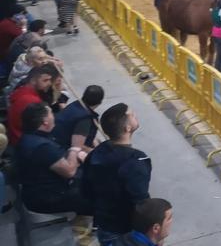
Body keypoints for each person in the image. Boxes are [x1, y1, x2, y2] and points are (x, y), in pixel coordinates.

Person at [16, 102, 93, 245]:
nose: (54, 116)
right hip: (47, 198)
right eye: (51, 113)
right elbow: (69, 171)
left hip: (36, 191)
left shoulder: (29, 138)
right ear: (45, 122)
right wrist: (75, 148)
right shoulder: (42, 146)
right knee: (99, 195)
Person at [83, 103, 152, 245]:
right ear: (127, 128)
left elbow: (86, 188)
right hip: (125, 230)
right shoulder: (135, 160)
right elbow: (141, 202)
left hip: (104, 224)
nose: (135, 115)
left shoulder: (97, 152)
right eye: (132, 115)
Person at [8, 63, 56, 145]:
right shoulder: (33, 101)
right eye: (45, 80)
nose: (49, 84)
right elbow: (41, 127)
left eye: (50, 80)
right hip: (22, 139)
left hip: (15, 134)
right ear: (33, 80)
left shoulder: (22, 90)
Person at [52, 85, 104, 152]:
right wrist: (97, 153)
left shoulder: (75, 105)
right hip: (62, 150)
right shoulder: (85, 119)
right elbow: (77, 147)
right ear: (100, 102)